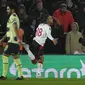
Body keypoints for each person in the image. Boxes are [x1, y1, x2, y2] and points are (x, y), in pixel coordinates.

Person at [0, 2, 23, 80]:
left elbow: (15, 27)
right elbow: (9, 31)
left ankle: (4, 75)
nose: (7, 10)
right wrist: (2, 39)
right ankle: (21, 75)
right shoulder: (13, 17)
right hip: (14, 41)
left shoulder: (13, 17)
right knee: (16, 58)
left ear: (12, 9)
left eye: (8, 9)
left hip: (12, 41)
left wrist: (18, 38)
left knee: (4, 56)